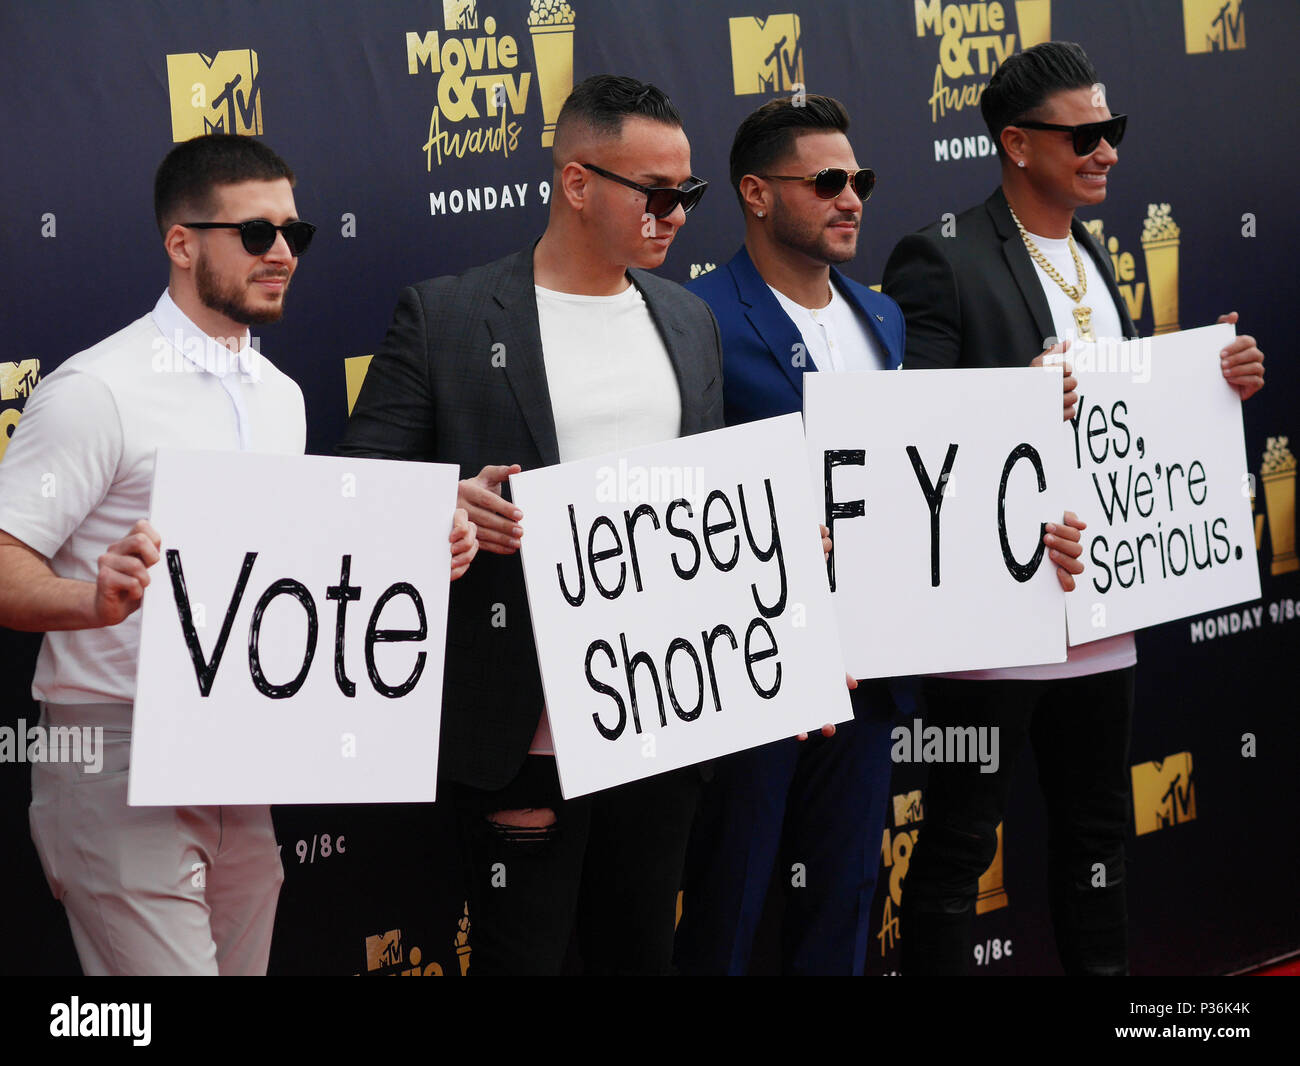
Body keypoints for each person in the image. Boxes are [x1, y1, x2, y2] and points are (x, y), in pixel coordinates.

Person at [0, 133, 481, 976]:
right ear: (181, 243)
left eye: (297, 233)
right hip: (116, 759)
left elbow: (283, 578)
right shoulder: (95, 391)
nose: (284, 253)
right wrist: (92, 601)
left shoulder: (280, 398)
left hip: (239, 756)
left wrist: (409, 556)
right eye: (256, 234)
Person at [675, 95, 1083, 975]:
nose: (851, 197)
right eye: (826, 181)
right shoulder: (693, 319)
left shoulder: (885, 316)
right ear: (753, 193)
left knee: (847, 896)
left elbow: (930, 475)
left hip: (874, 668)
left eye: (858, 179)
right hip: (757, 669)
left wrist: (1025, 472)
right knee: (729, 902)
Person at [882, 41, 1265, 975]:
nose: (1108, 152)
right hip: (994, 616)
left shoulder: (1092, 254)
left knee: (1096, 834)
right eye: (1086, 134)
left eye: (1113, 130)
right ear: (1016, 143)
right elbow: (910, 429)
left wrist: (1208, 383)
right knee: (962, 843)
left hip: (1100, 605)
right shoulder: (939, 256)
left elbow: (1116, 417)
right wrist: (1016, 395)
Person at [339, 74, 725, 975]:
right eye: (656, 193)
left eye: (688, 194)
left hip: (666, 710)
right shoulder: (449, 316)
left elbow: (713, 502)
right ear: (577, 182)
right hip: (522, 725)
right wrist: (441, 503)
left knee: (639, 955)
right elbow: (352, 492)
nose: (674, 215)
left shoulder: (688, 319)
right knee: (526, 959)